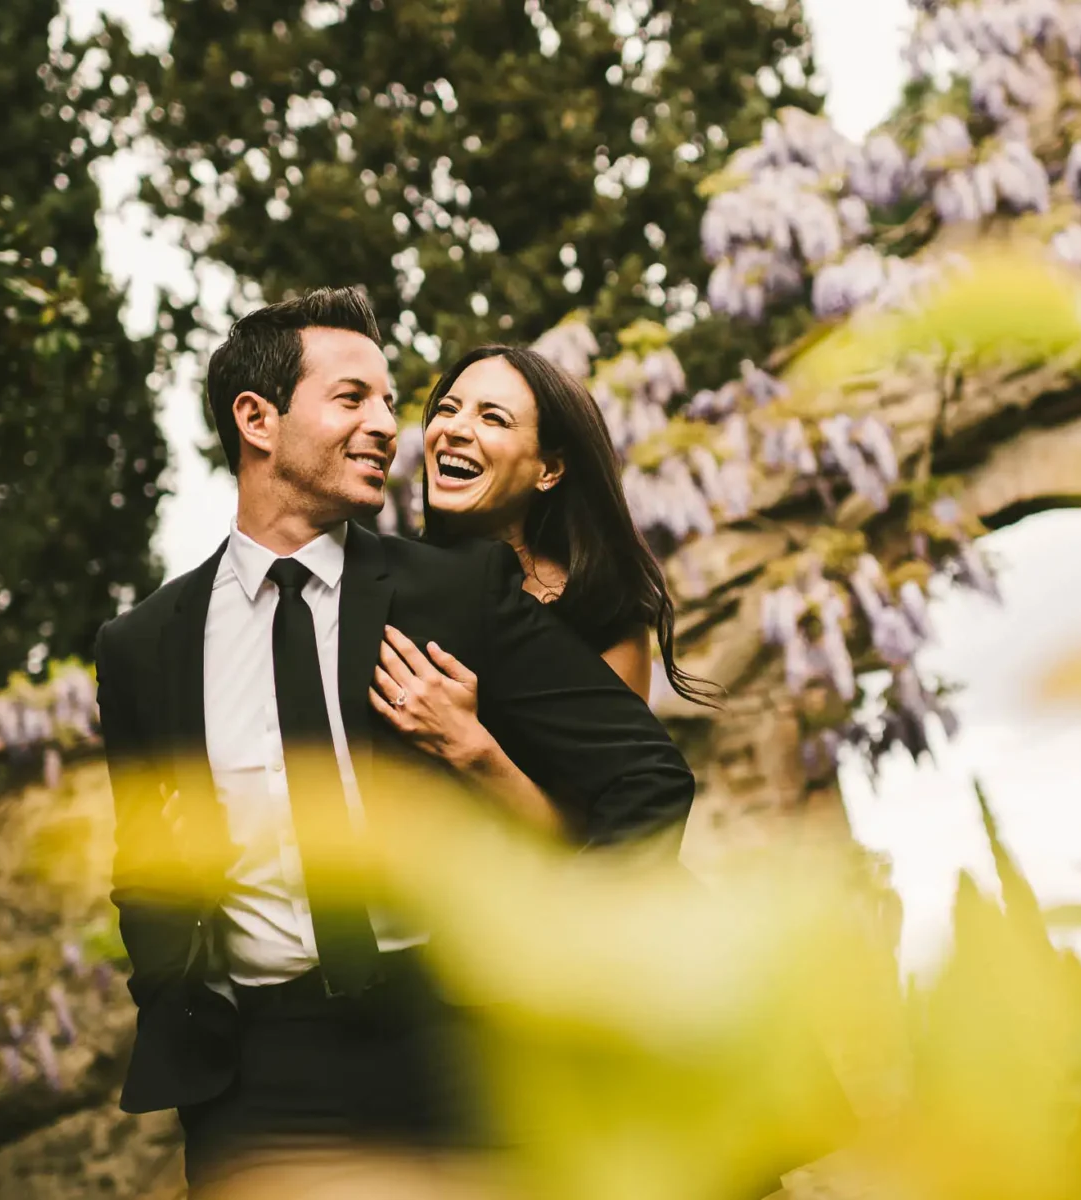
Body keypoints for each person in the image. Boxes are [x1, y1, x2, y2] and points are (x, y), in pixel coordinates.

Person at [91, 288, 696, 1193]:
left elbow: (646, 781)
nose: (389, 425)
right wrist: (174, 991)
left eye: (388, 400)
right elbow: (142, 862)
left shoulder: (452, 593)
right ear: (257, 420)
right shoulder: (143, 646)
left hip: (458, 1046)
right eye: (353, 399)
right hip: (257, 1080)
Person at [367, 345, 716, 830]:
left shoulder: (603, 615)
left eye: (493, 419)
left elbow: (606, 824)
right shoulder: (392, 581)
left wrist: (470, 746)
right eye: (447, 409)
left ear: (548, 470)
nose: (455, 429)